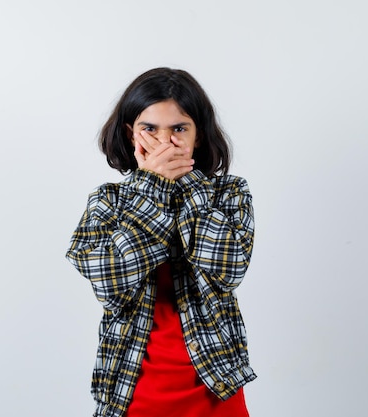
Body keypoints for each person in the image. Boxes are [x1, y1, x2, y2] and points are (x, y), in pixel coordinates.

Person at [65, 67, 256, 417]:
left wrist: (188, 186)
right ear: (130, 134)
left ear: (198, 136)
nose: (165, 142)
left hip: (215, 385)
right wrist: (153, 187)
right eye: (150, 129)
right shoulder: (107, 201)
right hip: (132, 388)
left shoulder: (230, 193)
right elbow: (109, 283)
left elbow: (228, 270)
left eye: (179, 129)